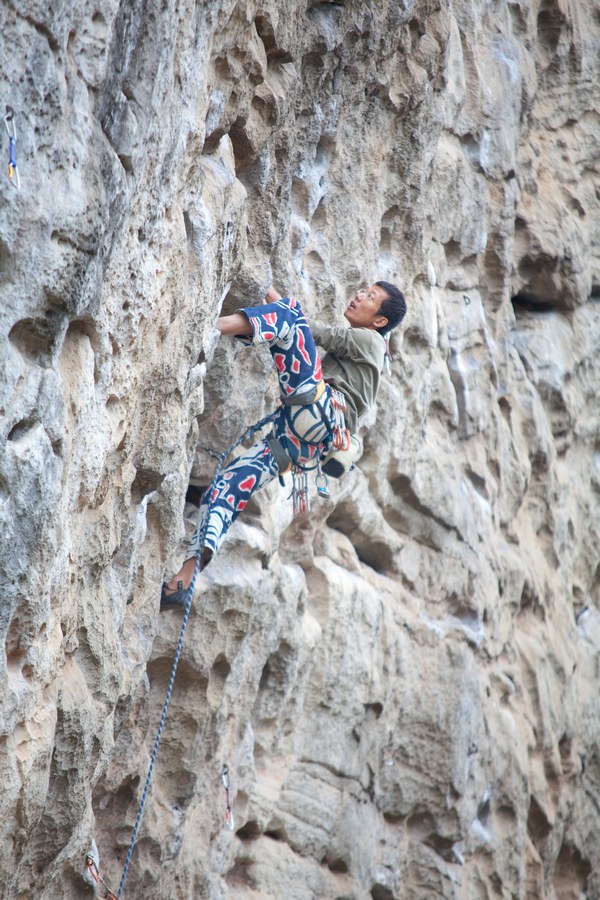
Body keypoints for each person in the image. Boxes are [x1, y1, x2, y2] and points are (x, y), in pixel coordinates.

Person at [161, 280, 406, 607]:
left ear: (380, 320)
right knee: (228, 488)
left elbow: (307, 328)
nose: (359, 295)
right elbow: (302, 328)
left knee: (289, 316)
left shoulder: (370, 340)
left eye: (370, 296)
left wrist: (267, 287)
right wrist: (269, 291)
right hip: (304, 440)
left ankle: (208, 328)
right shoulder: (367, 350)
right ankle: (182, 581)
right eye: (363, 291)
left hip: (317, 411)